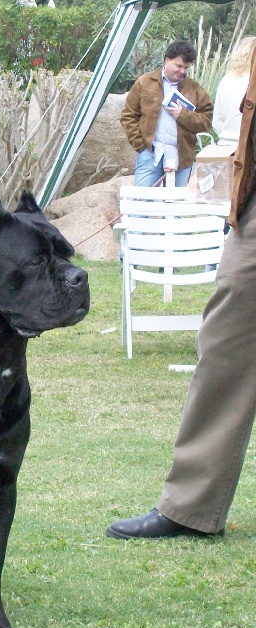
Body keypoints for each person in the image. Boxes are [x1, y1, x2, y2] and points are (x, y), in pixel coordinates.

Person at [106, 44, 256, 541]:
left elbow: (206, 119)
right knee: (225, 344)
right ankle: (191, 507)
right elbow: (134, 115)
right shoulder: (151, 83)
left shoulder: (196, 89)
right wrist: (146, 146)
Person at [121, 40, 213, 187]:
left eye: (186, 67)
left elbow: (206, 122)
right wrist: (141, 147)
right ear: (167, 60)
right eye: (179, 66)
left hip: (182, 158)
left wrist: (183, 115)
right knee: (142, 203)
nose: (182, 71)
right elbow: (128, 115)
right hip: (150, 154)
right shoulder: (145, 82)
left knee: (176, 207)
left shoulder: (195, 89)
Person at [212, 36, 256, 146]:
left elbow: (217, 122)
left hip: (225, 145)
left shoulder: (226, 80)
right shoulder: (252, 82)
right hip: (250, 150)